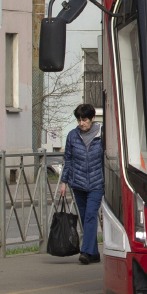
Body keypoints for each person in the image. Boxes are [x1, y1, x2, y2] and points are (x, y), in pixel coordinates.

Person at [59, 103, 104, 264]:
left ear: (92, 118)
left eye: (84, 120)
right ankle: (94, 253)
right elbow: (68, 160)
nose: (81, 123)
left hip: (97, 183)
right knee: (85, 217)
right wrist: (64, 182)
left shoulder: (102, 135)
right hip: (78, 183)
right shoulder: (73, 136)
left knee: (91, 215)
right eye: (79, 120)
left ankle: (85, 251)